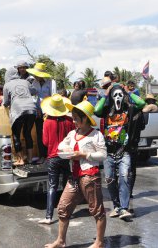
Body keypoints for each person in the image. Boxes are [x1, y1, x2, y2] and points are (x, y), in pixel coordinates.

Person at [45, 100, 107, 248]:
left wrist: (84, 155)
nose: (73, 121)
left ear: (85, 118)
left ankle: (99, 242)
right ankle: (61, 241)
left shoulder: (96, 135)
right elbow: (61, 145)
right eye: (73, 118)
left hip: (90, 176)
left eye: (76, 119)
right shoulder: (73, 133)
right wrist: (66, 149)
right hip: (74, 177)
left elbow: (103, 154)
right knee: (62, 207)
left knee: (97, 210)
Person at [94, 84, 145, 220]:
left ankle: (124, 208)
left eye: (120, 95)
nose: (117, 97)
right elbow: (96, 110)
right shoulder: (106, 110)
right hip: (109, 152)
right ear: (112, 97)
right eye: (115, 95)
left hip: (124, 152)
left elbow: (141, 103)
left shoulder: (129, 109)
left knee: (124, 178)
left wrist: (128, 92)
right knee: (110, 180)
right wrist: (106, 95)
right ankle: (116, 207)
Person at [38, 94, 75, 225]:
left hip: (53, 157)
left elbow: (45, 142)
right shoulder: (69, 121)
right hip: (66, 157)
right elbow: (73, 138)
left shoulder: (47, 122)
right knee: (67, 186)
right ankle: (66, 213)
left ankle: (49, 216)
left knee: (52, 186)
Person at [3, 67, 37, 165]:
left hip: (18, 111)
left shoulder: (7, 85)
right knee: (27, 133)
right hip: (32, 109)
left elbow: (5, 102)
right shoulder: (25, 81)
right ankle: (30, 159)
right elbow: (34, 91)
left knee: (16, 135)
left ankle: (20, 160)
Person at [27, 62, 52, 164]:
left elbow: (53, 96)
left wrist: (49, 111)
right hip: (37, 112)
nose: (35, 76)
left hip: (49, 111)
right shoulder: (33, 83)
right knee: (39, 134)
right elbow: (33, 97)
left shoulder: (51, 82)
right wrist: (35, 108)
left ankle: (49, 156)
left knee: (48, 134)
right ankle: (42, 155)